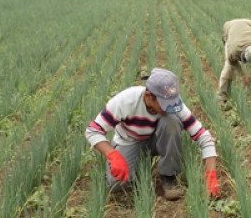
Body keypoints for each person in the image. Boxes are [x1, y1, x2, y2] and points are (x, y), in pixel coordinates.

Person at [85, 67, 221, 201]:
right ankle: (138, 165)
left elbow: (204, 137)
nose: (170, 107)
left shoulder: (174, 105)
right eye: (165, 104)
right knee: (117, 184)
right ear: (149, 96)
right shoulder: (125, 101)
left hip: (157, 140)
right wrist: (113, 155)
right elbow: (93, 131)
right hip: (130, 141)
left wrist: (211, 175)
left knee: (171, 121)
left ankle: (169, 178)